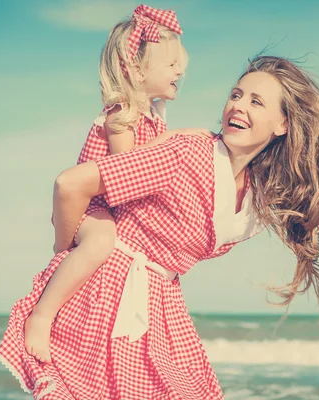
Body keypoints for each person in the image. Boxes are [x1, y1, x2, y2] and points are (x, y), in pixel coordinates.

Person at [0, 55, 319, 399]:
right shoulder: (189, 154)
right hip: (102, 294)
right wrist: (64, 252)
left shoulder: (259, 197)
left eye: (256, 101)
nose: (237, 105)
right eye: (236, 95)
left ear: (282, 124)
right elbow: (71, 184)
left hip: (161, 308)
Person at [21, 4, 208, 365]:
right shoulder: (122, 113)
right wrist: (180, 139)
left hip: (114, 207)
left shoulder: (152, 116)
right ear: (135, 70)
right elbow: (129, 167)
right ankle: (41, 316)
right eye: (171, 65)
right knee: (102, 242)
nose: (180, 70)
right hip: (94, 207)